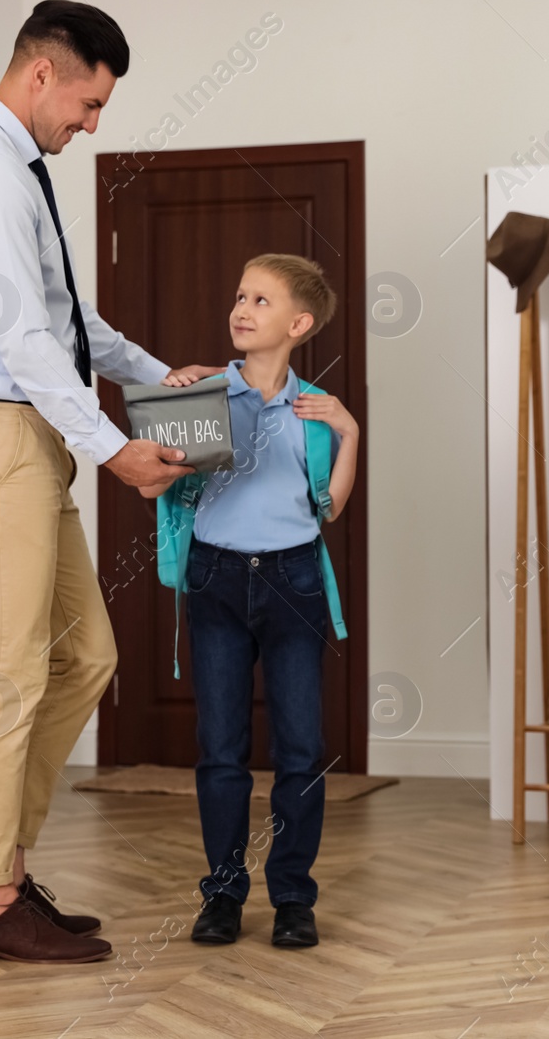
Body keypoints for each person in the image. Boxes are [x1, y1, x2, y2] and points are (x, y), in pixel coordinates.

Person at [0, 0, 222, 964]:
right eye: (89, 103)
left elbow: (64, 318)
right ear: (42, 73)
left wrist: (149, 372)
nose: (93, 125)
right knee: (9, 670)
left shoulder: (18, 170)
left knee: (85, 656)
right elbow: (20, 343)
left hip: (25, 437)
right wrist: (114, 449)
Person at [150, 254, 359, 948]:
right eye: (241, 295)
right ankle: (223, 893)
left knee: (301, 747)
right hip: (216, 579)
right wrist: (173, 402)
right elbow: (158, 485)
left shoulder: (315, 412)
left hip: (293, 581)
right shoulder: (201, 394)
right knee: (221, 748)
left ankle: (294, 897)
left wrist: (350, 433)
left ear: (298, 324)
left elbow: (328, 508)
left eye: (262, 301)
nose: (242, 309)